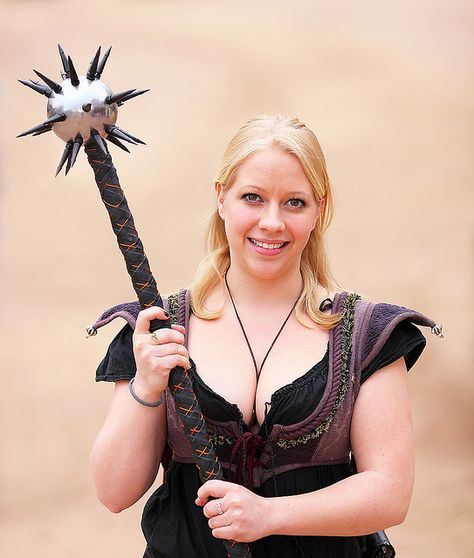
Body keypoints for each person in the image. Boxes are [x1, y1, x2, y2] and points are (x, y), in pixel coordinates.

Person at [90, 114, 436, 557]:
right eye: (252, 197)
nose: (272, 222)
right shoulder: (158, 329)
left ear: (318, 209)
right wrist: (147, 386)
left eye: (294, 202)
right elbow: (114, 493)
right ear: (222, 198)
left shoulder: (368, 336)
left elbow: (389, 493)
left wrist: (269, 515)